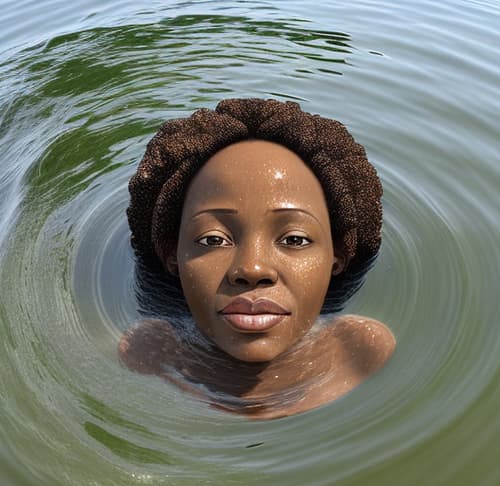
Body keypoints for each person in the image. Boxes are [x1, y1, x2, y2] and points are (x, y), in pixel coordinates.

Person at [119, 98, 395, 419]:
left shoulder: (360, 350)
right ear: (173, 258)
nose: (252, 269)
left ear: (338, 258)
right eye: (213, 240)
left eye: (294, 239)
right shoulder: (147, 353)